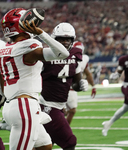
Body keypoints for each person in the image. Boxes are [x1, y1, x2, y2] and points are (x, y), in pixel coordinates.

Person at [0, 8, 70, 150]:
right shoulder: (28, 46)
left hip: (12, 105)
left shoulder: (1, 50)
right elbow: (63, 53)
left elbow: (1, 84)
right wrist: (41, 33)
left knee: (44, 146)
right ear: (22, 24)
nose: (33, 23)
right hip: (24, 106)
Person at [39, 22, 88, 150]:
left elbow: (75, 84)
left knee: (46, 143)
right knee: (69, 142)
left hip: (59, 106)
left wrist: (81, 85)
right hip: (48, 105)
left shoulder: (75, 54)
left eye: (68, 39)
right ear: (54, 39)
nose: (65, 42)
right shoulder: (45, 55)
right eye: (61, 39)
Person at [66, 41, 96, 125]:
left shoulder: (67, 56)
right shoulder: (82, 58)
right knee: (71, 110)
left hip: (67, 87)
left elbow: (87, 73)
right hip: (69, 87)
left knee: (66, 110)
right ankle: (63, 129)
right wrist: (93, 86)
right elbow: (88, 73)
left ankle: (61, 129)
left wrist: (93, 86)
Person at [102, 54, 128, 136]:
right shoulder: (123, 59)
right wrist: (115, 75)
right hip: (127, 85)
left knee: (125, 108)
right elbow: (119, 73)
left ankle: (109, 123)